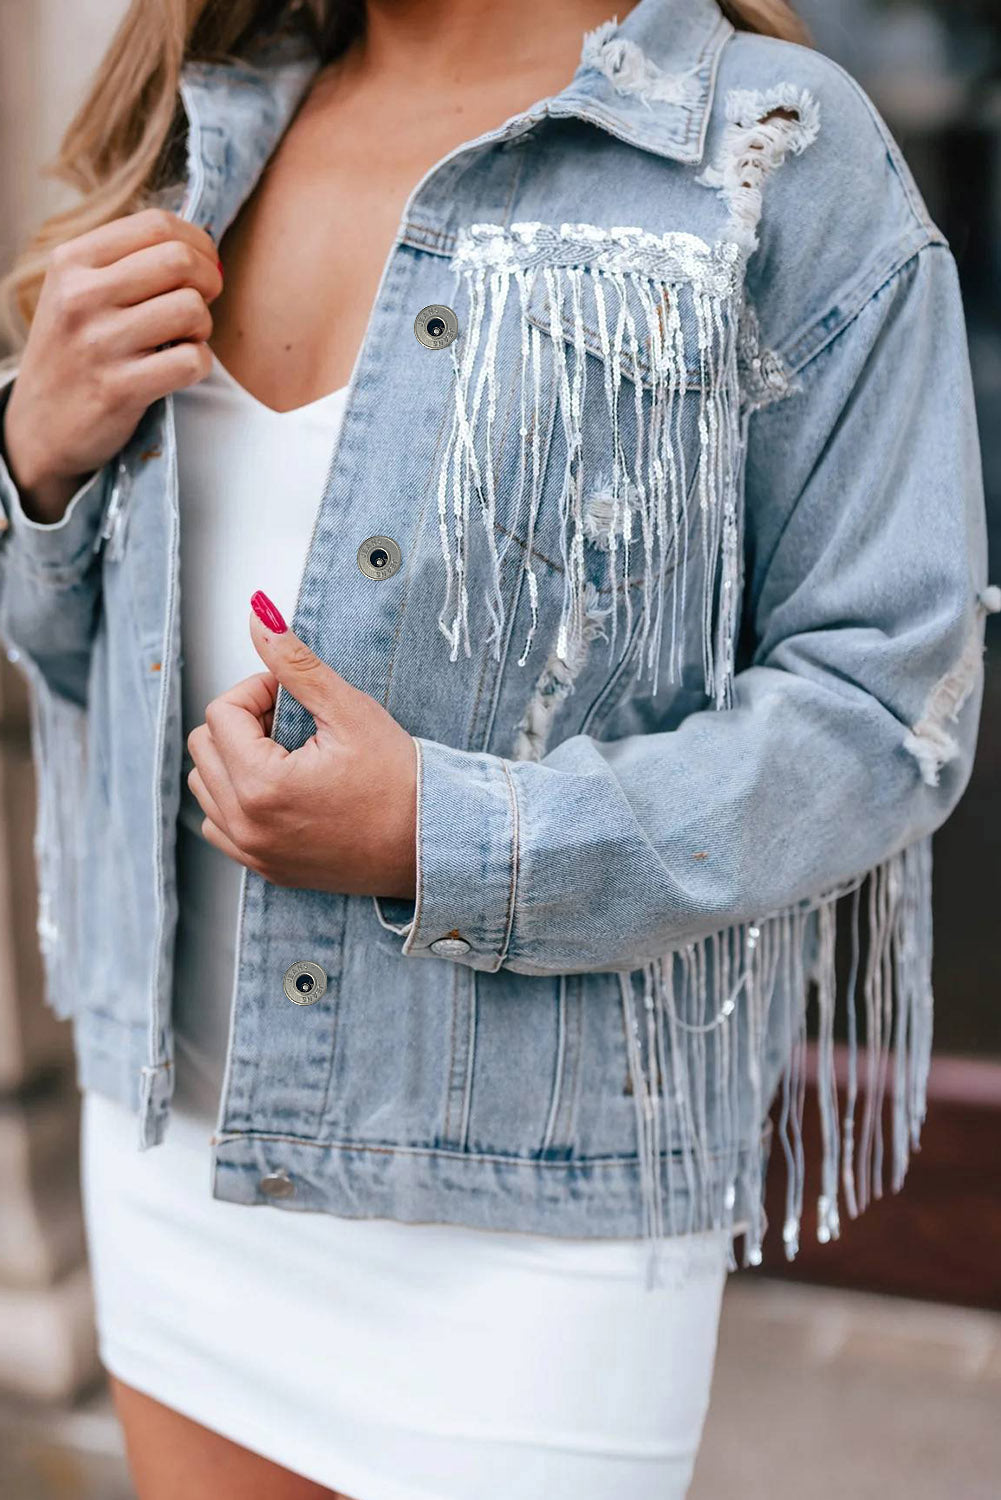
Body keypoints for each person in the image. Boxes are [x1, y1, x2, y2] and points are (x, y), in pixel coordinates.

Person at [0, 0, 992, 1496]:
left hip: (535, 1217)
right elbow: (76, 663)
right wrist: (38, 459)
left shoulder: (772, 151)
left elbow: (883, 705)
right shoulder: (206, 131)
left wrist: (448, 837)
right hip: (173, 1150)